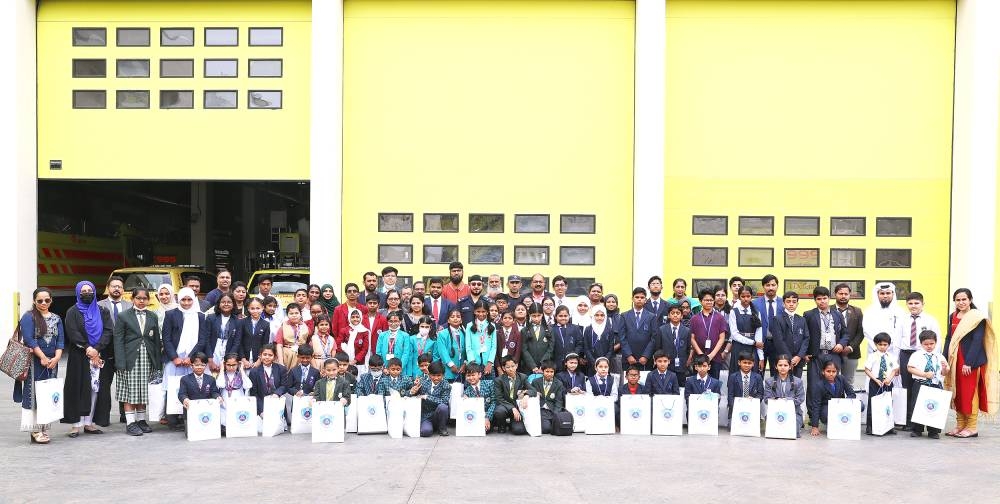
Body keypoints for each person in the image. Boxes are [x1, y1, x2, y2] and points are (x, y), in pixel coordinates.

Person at [943, 288, 998, 438]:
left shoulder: (977, 317)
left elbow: (977, 340)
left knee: (969, 393)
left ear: (970, 300)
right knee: (957, 392)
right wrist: (943, 359)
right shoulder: (952, 316)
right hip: (954, 360)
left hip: (969, 361)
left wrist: (969, 362)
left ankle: (972, 427)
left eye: (964, 299)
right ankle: (960, 424)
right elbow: (949, 338)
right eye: (958, 300)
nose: (961, 302)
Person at [14, 288, 65, 444]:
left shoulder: (56, 318)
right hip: (35, 362)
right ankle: (35, 430)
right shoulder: (29, 317)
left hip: (52, 363)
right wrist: (42, 357)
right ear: (34, 301)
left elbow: (60, 340)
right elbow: (30, 340)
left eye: (47, 300)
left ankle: (43, 428)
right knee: (34, 395)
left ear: (51, 301)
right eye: (40, 301)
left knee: (48, 395)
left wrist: (57, 357)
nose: (43, 303)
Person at [62, 281, 112, 437]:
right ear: (78, 292)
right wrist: (87, 347)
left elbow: (108, 331)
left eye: (89, 290)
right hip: (79, 356)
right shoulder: (72, 311)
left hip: (98, 354)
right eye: (83, 291)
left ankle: (89, 423)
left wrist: (96, 348)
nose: (87, 293)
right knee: (78, 388)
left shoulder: (102, 311)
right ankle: (76, 425)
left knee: (95, 389)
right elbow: (72, 332)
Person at [113, 288, 162, 436]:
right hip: (129, 359)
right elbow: (118, 340)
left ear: (148, 300)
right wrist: (120, 362)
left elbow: (156, 341)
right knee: (130, 392)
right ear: (132, 299)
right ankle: (130, 423)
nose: (141, 301)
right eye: (138, 298)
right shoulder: (123, 316)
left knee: (143, 391)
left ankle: (141, 420)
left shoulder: (152, 316)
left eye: (144, 298)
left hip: (147, 358)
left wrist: (157, 363)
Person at [161, 287, 207, 430]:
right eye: (183, 300)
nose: (186, 303)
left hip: (192, 358)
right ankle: (172, 421)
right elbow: (166, 338)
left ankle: (188, 418)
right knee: (172, 387)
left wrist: (191, 358)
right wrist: (174, 358)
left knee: (192, 387)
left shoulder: (200, 316)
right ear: (178, 300)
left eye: (189, 300)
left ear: (194, 300)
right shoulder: (170, 314)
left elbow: (202, 340)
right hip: (174, 358)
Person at [896, 292, 942, 424]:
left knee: (922, 387)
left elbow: (937, 341)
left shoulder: (931, 320)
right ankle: (909, 421)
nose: (913, 306)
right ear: (906, 305)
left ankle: (923, 419)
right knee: (907, 387)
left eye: (916, 303)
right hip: (906, 354)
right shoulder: (902, 320)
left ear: (923, 304)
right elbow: (896, 341)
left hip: (923, 355)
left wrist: (934, 359)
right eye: (910, 303)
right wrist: (896, 363)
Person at [97, 275, 130, 425]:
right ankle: (103, 417)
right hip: (106, 350)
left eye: (119, 287)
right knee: (104, 384)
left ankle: (126, 415)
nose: (117, 289)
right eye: (114, 286)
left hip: (125, 351)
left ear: (123, 290)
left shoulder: (130, 305)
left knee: (126, 384)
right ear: (108, 288)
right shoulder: (98, 306)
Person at [907, 330, 949, 439]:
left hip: (935, 384)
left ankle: (933, 431)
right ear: (921, 344)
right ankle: (917, 429)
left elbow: (944, 373)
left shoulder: (939, 356)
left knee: (934, 406)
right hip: (921, 383)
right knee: (918, 406)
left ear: (936, 343)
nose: (929, 346)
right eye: (926, 344)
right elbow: (910, 368)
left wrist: (945, 369)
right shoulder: (916, 355)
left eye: (931, 344)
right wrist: (924, 374)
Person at [808, 357, 857, 436]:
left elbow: (852, 394)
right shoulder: (819, 385)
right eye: (828, 371)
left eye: (834, 371)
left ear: (837, 372)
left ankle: (846, 423)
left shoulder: (841, 379)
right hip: (826, 407)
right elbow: (816, 406)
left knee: (860, 406)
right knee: (825, 414)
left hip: (841, 404)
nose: (831, 374)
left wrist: (844, 402)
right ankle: (832, 423)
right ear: (823, 372)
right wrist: (815, 426)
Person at [768, 291, 809, 378]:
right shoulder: (777, 319)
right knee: (782, 385)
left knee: (796, 385)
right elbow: (779, 341)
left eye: (794, 302)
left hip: (798, 360)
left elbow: (806, 338)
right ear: (783, 304)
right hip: (783, 360)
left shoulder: (802, 319)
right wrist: (789, 359)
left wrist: (799, 356)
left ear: (797, 304)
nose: (791, 304)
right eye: (788, 301)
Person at [862, 282, 907, 361]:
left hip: (894, 350)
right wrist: (878, 346)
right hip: (875, 349)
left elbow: (902, 331)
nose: (885, 296)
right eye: (882, 293)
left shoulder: (900, 311)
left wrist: (889, 346)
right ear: (877, 295)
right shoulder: (870, 311)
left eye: (888, 293)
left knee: (893, 372)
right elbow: (867, 331)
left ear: (893, 294)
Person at [763, 355, 806, 437]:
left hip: (794, 412)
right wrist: (780, 400)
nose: (783, 367)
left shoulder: (798, 381)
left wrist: (787, 400)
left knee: (793, 432)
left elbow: (800, 399)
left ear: (790, 367)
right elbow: (766, 399)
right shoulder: (769, 381)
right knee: (773, 432)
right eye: (780, 365)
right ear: (776, 366)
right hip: (775, 412)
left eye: (785, 365)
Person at [864, 333, 898, 435]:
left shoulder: (891, 356)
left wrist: (889, 379)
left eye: (885, 344)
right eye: (880, 344)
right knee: (873, 403)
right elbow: (867, 370)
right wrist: (875, 379)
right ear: (875, 344)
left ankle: (888, 426)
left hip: (887, 382)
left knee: (887, 404)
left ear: (888, 345)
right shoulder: (872, 356)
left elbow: (894, 369)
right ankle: (870, 426)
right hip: (876, 382)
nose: (882, 347)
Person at [689, 289, 728, 379]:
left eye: (711, 300)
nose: (709, 302)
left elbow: (722, 338)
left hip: (715, 357)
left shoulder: (719, 317)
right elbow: (692, 338)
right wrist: (701, 354)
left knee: (714, 383)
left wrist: (711, 355)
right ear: (700, 301)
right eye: (706, 300)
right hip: (699, 357)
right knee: (698, 383)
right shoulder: (694, 318)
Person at [833, 283, 865, 388]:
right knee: (831, 380)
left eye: (846, 294)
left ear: (849, 295)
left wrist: (850, 347)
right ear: (835, 294)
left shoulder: (857, 311)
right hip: (832, 352)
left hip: (852, 352)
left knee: (848, 383)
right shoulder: (828, 310)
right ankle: (833, 403)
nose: (843, 296)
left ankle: (848, 403)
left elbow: (861, 332)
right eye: (840, 293)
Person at [725, 285, 764, 372]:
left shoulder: (756, 312)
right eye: (743, 296)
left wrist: (761, 357)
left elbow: (759, 336)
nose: (745, 299)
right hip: (738, 347)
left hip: (752, 349)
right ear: (739, 297)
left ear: (751, 297)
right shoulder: (733, 312)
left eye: (748, 296)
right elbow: (734, 335)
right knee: (736, 374)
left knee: (752, 374)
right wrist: (753, 342)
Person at [178, 352, 222, 422]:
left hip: (207, 412)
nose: (199, 367)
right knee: (192, 432)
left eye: (202, 365)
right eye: (197, 365)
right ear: (191, 366)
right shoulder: (185, 379)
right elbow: (182, 394)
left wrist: (218, 397)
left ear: (206, 366)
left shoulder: (211, 379)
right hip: (191, 411)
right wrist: (185, 399)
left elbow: (214, 392)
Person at [493, 355, 531, 434]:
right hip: (505, 406)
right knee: (499, 411)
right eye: (508, 367)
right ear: (503, 368)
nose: (511, 369)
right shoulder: (498, 380)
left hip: (518, 408)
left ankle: (512, 424)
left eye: (513, 366)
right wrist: (512, 408)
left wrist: (526, 396)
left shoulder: (523, 377)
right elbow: (499, 398)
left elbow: (533, 390)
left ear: (516, 366)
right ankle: (502, 425)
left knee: (518, 430)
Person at [751, 274, 780, 376]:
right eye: (768, 285)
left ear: (777, 286)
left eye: (773, 285)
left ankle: (776, 392)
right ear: (763, 286)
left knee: (777, 373)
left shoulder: (783, 303)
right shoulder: (755, 303)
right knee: (758, 372)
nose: (771, 288)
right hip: (760, 343)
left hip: (778, 344)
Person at [621, 287, 656, 371]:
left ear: (645, 299)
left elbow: (654, 338)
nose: (639, 299)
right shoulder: (624, 316)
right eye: (637, 297)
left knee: (645, 383)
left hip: (646, 360)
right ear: (632, 299)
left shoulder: (651, 316)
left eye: (642, 297)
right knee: (629, 382)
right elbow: (622, 337)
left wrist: (646, 356)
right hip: (628, 359)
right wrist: (628, 355)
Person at [216, 353, 252, 432]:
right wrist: (222, 369)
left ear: (238, 364)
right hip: (224, 406)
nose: (231, 367)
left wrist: (242, 370)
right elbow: (220, 384)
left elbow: (248, 385)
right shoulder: (222, 375)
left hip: (238, 406)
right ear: (225, 364)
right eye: (228, 365)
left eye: (234, 365)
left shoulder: (240, 375)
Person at [282, 346, 320, 421]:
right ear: (298, 356)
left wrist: (314, 393)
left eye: (307, 358)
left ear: (312, 357)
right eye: (302, 357)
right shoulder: (293, 371)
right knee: (298, 422)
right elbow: (288, 387)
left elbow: (319, 387)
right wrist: (296, 392)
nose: (305, 360)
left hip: (311, 401)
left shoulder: (315, 372)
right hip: (297, 401)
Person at [206, 293, 241, 374]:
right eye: (223, 302)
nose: (226, 304)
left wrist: (228, 361)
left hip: (228, 352)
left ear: (233, 304)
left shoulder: (238, 321)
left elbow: (237, 342)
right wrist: (210, 359)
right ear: (218, 304)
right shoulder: (211, 318)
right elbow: (206, 339)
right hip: (213, 351)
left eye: (229, 302)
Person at [248, 344, 287, 414]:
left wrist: (277, 394)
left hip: (278, 403)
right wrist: (261, 411)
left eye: (270, 355)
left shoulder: (281, 369)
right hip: (262, 406)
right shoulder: (254, 372)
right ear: (260, 356)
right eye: (264, 354)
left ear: (275, 357)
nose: (267, 357)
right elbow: (254, 393)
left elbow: (284, 385)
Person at [415, 362, 451, 436]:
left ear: (443, 375)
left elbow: (444, 401)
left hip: (438, 415)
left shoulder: (446, 385)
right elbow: (415, 394)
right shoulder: (423, 382)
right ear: (429, 374)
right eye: (433, 375)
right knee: (426, 432)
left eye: (439, 375)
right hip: (426, 416)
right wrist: (413, 390)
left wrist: (427, 397)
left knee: (443, 407)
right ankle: (430, 427)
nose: (436, 378)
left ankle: (442, 428)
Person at [726, 352, 764, 421]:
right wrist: (735, 407)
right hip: (736, 409)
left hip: (752, 409)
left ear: (753, 364)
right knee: (733, 427)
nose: (747, 365)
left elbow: (760, 394)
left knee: (752, 429)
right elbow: (730, 396)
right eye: (744, 362)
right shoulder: (733, 377)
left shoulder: (758, 377)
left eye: (749, 363)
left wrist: (753, 400)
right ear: (739, 363)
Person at [529, 360, 565, 434]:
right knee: (546, 429)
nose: (549, 374)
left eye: (551, 372)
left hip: (552, 410)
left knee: (557, 424)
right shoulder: (535, 382)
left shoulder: (558, 384)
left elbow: (559, 401)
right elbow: (531, 396)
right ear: (542, 371)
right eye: (547, 371)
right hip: (540, 410)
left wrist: (556, 415)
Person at [466, 300, 498, 378]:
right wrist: (472, 362)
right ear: (474, 312)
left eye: (483, 311)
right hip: (474, 362)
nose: (481, 314)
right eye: (478, 311)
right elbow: (468, 346)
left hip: (487, 363)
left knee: (489, 387)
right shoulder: (469, 326)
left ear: (487, 312)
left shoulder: (492, 326)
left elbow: (493, 347)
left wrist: (490, 363)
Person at [519, 304, 552, 376]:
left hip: (544, 367)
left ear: (542, 314)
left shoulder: (549, 329)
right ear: (530, 315)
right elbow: (524, 349)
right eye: (534, 316)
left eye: (539, 315)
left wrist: (542, 364)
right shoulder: (524, 330)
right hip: (528, 367)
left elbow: (550, 349)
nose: (536, 318)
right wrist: (533, 366)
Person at [435, 308, 467, 382]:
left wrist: (464, 364)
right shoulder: (442, 334)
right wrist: (451, 365)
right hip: (448, 369)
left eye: (458, 316)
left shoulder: (464, 333)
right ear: (448, 320)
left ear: (461, 320)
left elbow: (466, 350)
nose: (455, 319)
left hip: (462, 369)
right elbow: (443, 352)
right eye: (452, 317)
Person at [582, 305, 615, 376]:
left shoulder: (609, 330)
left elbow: (611, 348)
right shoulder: (588, 329)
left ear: (605, 316)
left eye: (602, 315)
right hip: (592, 364)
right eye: (597, 315)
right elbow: (586, 348)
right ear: (593, 316)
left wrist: (604, 361)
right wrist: (594, 362)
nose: (599, 318)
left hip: (606, 365)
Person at [462, 363, 495, 434]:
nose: (471, 378)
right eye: (468, 376)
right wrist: (465, 401)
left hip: (490, 414)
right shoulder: (467, 391)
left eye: (473, 375)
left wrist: (487, 417)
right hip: (477, 417)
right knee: (478, 430)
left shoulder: (489, 384)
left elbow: (494, 402)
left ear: (479, 375)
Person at [275, 304, 309, 370]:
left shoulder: (305, 326)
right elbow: (279, 345)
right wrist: (281, 362)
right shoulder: (283, 327)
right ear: (287, 315)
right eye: (291, 313)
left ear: (300, 314)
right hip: (287, 355)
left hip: (301, 355)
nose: (294, 315)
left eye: (296, 313)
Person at [241, 298, 270, 369]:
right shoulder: (242, 322)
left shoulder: (266, 324)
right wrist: (243, 359)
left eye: (258, 308)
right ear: (248, 309)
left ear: (263, 308)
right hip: (243, 358)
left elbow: (265, 344)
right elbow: (239, 342)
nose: (255, 311)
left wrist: (259, 360)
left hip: (257, 359)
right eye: (252, 308)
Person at [551, 306, 583, 372]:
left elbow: (579, 344)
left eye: (565, 316)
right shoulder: (551, 328)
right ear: (555, 316)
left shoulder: (575, 328)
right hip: (556, 363)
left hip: (572, 363)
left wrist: (573, 355)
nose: (563, 318)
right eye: (560, 316)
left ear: (569, 316)